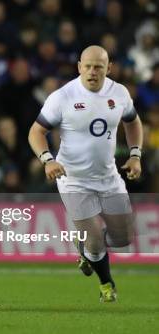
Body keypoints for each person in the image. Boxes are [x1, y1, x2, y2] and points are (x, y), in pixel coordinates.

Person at [28, 45, 142, 302]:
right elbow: (36, 132)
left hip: (109, 177)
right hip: (73, 179)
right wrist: (47, 160)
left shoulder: (120, 93)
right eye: (88, 66)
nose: (92, 71)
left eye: (98, 67)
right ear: (79, 66)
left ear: (108, 68)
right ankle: (107, 285)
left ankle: (87, 251)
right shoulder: (63, 96)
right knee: (94, 239)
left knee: (123, 238)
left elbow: (132, 121)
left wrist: (135, 154)